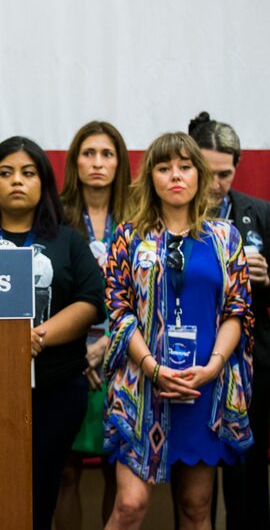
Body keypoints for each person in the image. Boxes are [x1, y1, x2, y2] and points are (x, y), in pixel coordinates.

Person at [0, 136, 104, 530]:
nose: (17, 181)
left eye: (28, 173)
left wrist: (36, 336)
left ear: (44, 184)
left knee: (41, 494)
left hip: (55, 390)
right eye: (6, 173)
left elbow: (89, 302)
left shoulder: (67, 240)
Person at [103, 132, 254, 529]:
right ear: (150, 176)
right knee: (131, 505)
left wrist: (213, 367)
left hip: (203, 388)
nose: (175, 175)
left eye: (185, 167)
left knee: (195, 507)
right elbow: (118, 314)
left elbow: (237, 312)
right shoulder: (129, 237)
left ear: (199, 175)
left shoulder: (225, 239)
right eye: (164, 167)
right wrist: (153, 367)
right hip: (143, 387)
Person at [188, 112, 270, 529]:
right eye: (208, 172)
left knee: (247, 479)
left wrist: (267, 276)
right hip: (190, 361)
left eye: (226, 173)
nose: (217, 183)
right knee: (194, 490)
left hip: (250, 365)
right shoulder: (174, 216)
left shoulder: (260, 213)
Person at [56, 121, 131, 528]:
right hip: (69, 356)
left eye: (106, 154)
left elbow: (146, 295)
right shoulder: (56, 217)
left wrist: (106, 346)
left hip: (125, 355)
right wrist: (79, 352)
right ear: (75, 162)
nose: (97, 163)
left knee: (114, 472)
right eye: (88, 154)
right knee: (66, 471)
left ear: (119, 162)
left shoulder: (139, 217)